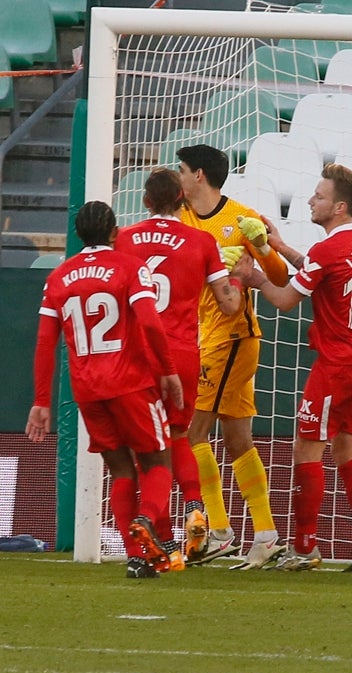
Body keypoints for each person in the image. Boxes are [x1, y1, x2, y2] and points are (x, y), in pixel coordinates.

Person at [27, 200, 181, 578]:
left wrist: (42, 400)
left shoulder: (58, 277)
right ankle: (147, 520)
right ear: (115, 232)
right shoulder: (130, 267)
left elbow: (45, 342)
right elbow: (150, 322)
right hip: (131, 383)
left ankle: (137, 558)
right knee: (158, 461)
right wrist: (168, 370)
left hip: (87, 390)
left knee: (120, 469)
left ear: (78, 234)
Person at [115, 168, 244, 569]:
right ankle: (194, 506)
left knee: (145, 452)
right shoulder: (202, 241)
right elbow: (228, 305)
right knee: (180, 435)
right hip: (183, 355)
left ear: (145, 201)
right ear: (182, 201)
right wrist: (240, 280)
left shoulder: (124, 239)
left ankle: (166, 541)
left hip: (136, 356)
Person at [177, 144, 291, 569]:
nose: (179, 177)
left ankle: (219, 533)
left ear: (200, 175)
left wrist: (262, 247)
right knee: (238, 438)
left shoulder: (241, 218)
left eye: (182, 170)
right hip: (205, 336)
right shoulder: (181, 218)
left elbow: (280, 276)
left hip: (232, 337)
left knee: (192, 433)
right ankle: (265, 535)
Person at [236, 163, 352, 571]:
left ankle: (304, 548)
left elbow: (285, 300)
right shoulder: (335, 251)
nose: (310, 201)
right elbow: (320, 272)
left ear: (339, 207)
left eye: (319, 196)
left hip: (336, 364)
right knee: (345, 446)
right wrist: (280, 247)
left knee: (307, 447)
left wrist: (254, 278)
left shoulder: (328, 251)